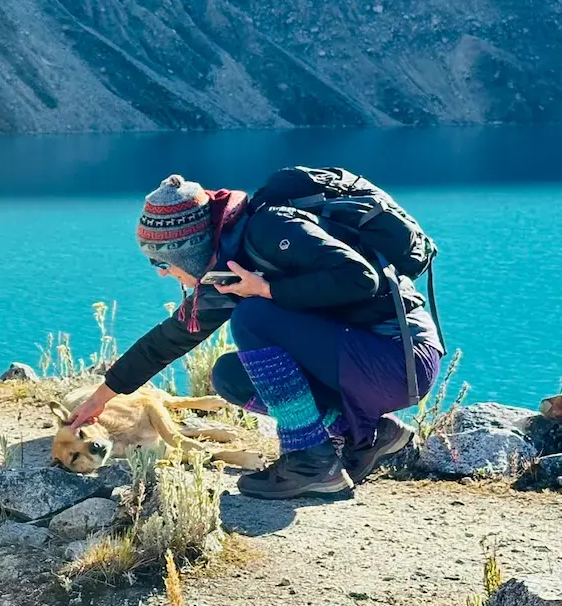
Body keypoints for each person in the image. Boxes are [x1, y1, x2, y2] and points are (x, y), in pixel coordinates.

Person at [65, 174, 443, 500]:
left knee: (252, 317)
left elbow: (362, 280)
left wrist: (267, 291)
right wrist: (102, 396)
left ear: (189, 248)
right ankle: (370, 435)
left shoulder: (269, 230)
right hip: (364, 364)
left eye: (161, 261)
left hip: (400, 357)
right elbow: (169, 339)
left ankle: (311, 462)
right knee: (231, 376)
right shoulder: (231, 267)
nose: (163, 274)